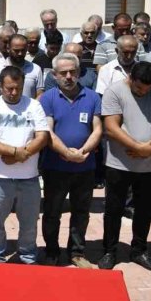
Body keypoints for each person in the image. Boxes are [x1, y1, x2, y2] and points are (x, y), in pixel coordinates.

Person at [99, 61, 151, 272]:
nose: (144, 92)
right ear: (131, 78)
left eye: (147, 88)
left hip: (150, 164)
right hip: (119, 164)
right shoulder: (114, 91)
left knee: (144, 210)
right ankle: (110, 251)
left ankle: (139, 250)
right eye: (139, 87)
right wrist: (137, 147)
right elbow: (112, 127)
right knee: (113, 209)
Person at [0, 66, 50, 264]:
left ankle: (27, 256)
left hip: (29, 178)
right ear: (0, 86)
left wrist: (21, 155)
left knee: (29, 224)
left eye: (17, 88)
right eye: (9, 88)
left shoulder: (33, 106)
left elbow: (42, 136)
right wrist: (14, 152)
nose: (13, 92)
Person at [40, 53, 102, 268]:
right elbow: (47, 131)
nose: (68, 76)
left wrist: (82, 151)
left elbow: (98, 129)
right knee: (52, 212)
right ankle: (51, 251)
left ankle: (76, 252)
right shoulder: (47, 98)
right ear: (55, 75)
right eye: (63, 73)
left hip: (85, 166)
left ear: (79, 73)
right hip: (55, 166)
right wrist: (66, 153)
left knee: (81, 213)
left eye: (72, 72)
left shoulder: (92, 97)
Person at [0, 34, 44, 99]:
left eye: (23, 50)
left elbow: (40, 94)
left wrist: (33, 108)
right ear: (8, 49)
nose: (20, 53)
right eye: (16, 50)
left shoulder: (35, 69)